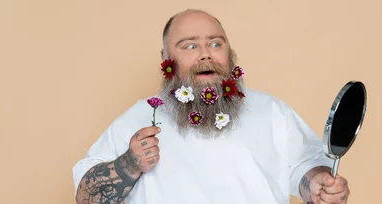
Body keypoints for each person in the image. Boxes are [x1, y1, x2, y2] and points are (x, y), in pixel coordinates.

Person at [72, 9, 350, 204]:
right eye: (190, 47)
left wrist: (317, 186)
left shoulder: (272, 112)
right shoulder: (140, 118)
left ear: (229, 53)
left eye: (215, 43)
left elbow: (307, 169)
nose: (206, 54)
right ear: (166, 58)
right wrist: (129, 163)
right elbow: (85, 197)